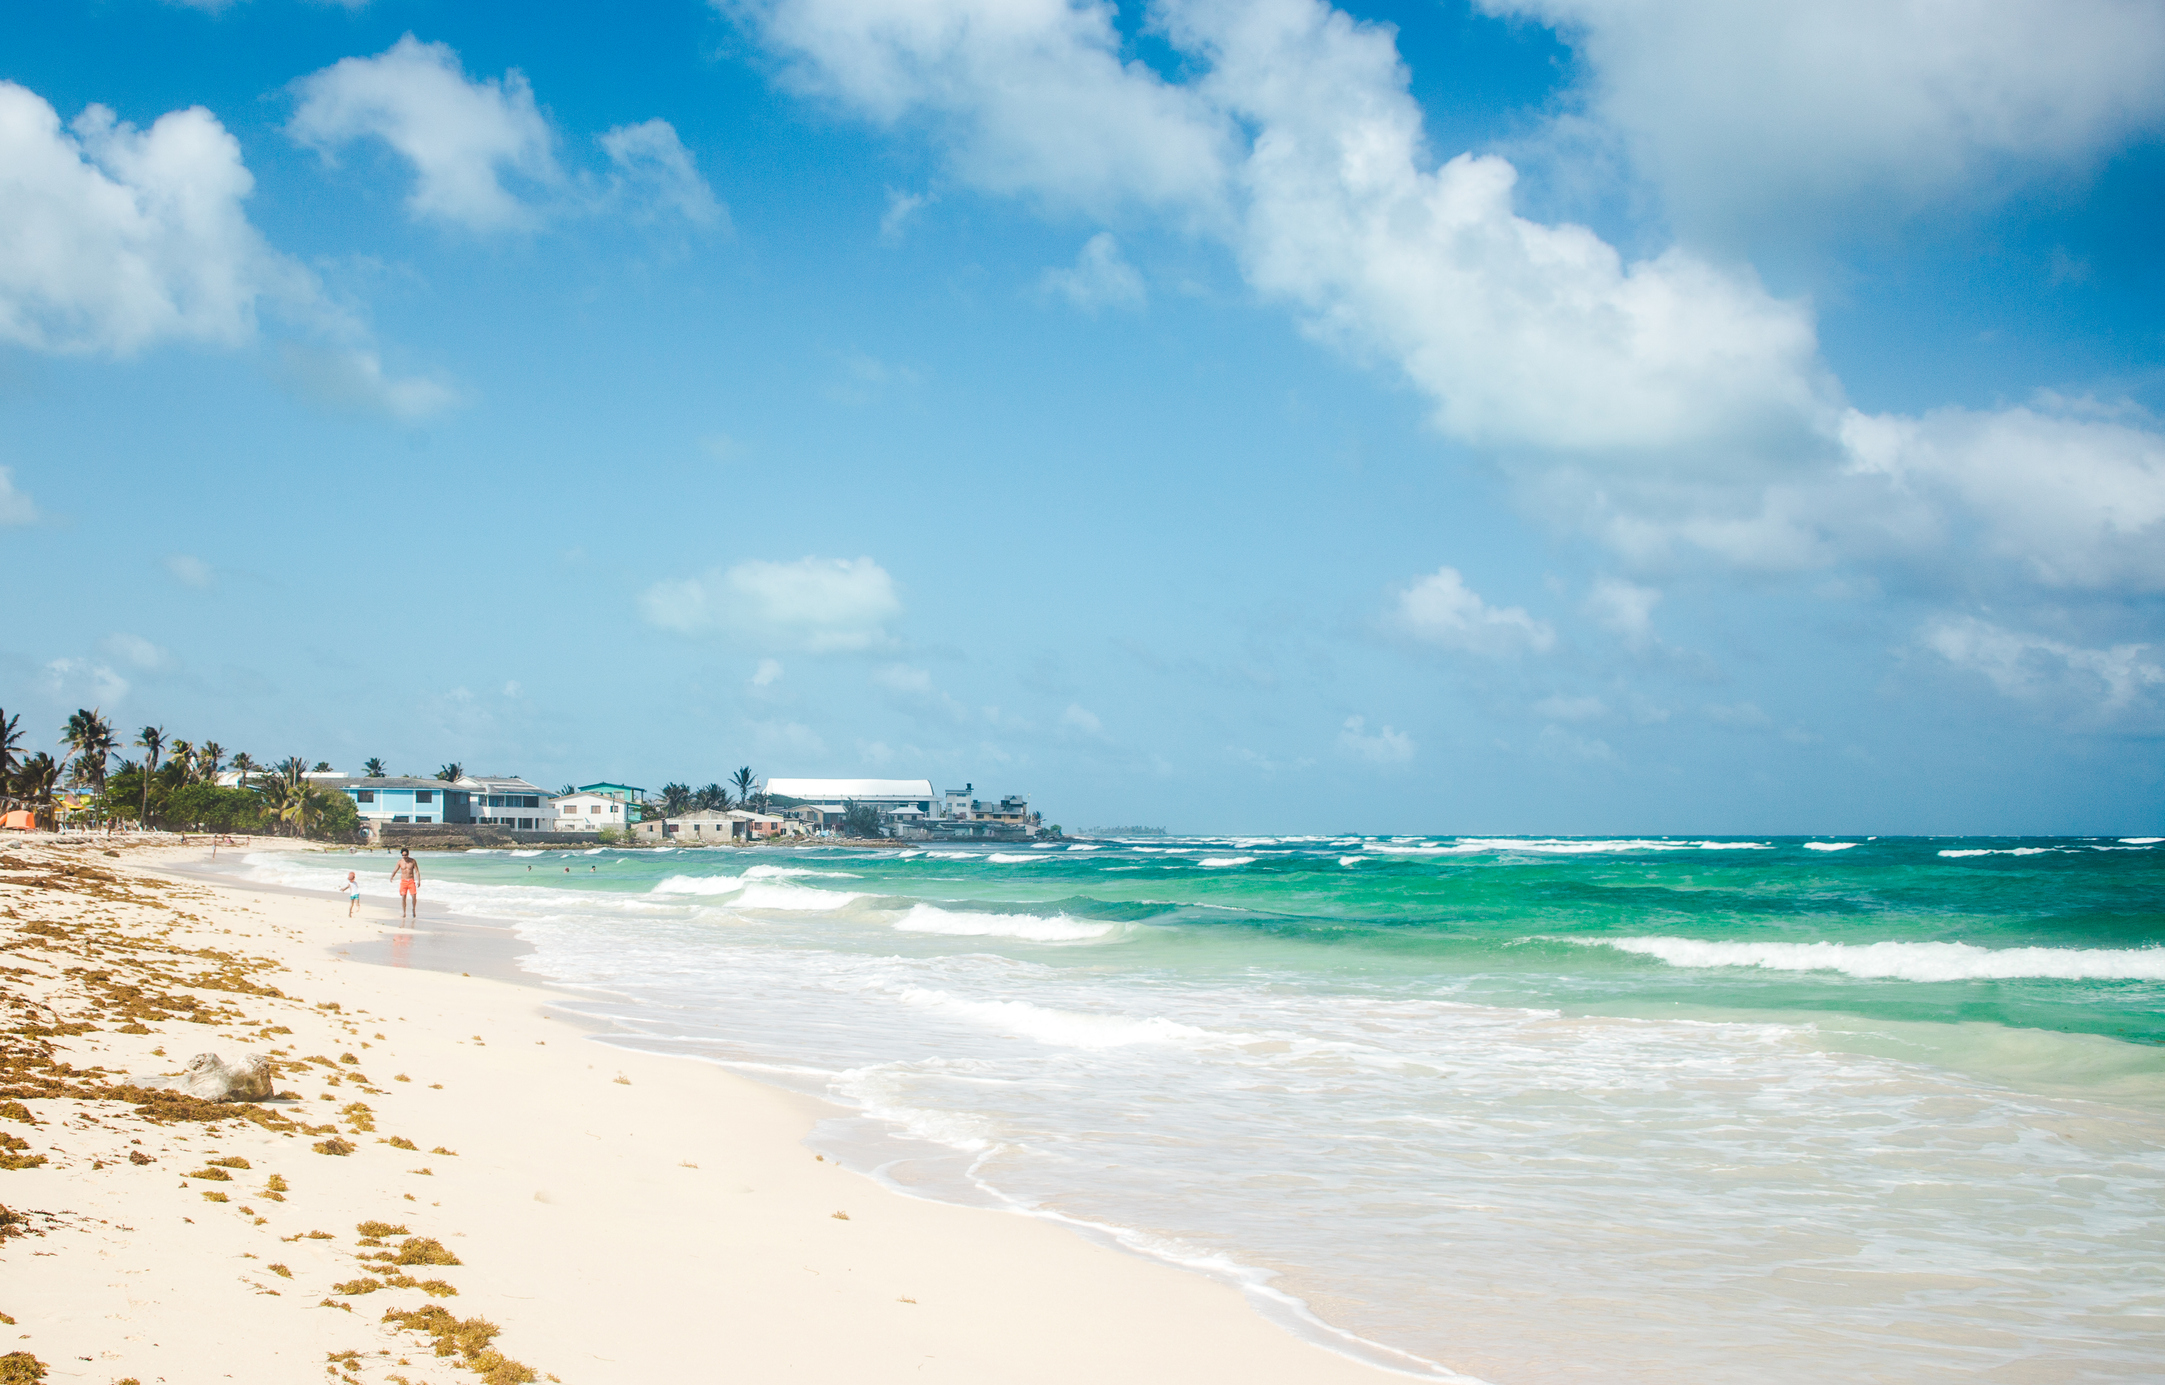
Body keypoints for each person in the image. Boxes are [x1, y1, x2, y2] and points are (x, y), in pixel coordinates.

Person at [391, 848, 420, 918]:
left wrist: (419, 880)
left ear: (408, 854)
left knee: (414, 896)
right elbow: (395, 870)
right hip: (403, 881)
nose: (404, 856)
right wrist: (392, 876)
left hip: (411, 880)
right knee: (403, 897)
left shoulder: (412, 861)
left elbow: (417, 871)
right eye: (403, 855)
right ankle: (404, 912)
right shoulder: (400, 862)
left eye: (406, 855)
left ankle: (413, 909)